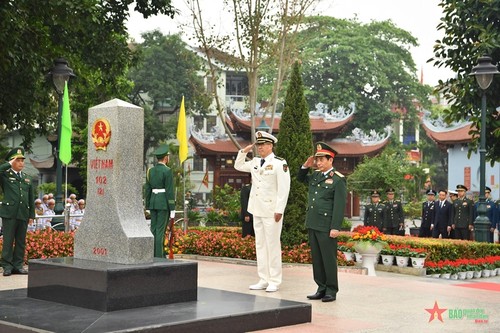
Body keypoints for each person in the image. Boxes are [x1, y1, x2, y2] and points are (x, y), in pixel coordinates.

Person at [234, 131, 290, 292]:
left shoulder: (280, 163)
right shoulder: (255, 161)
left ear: (271, 145)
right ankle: (263, 278)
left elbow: (284, 189)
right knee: (260, 245)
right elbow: (238, 166)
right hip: (256, 209)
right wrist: (243, 152)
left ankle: (274, 280)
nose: (260, 148)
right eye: (258, 145)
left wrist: (280, 209)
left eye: (263, 145)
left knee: (272, 245)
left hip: (272, 211)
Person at [298, 142, 346, 303]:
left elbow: (339, 206)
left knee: (328, 258)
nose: (318, 163)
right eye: (316, 160)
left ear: (330, 160)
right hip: (313, 222)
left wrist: (335, 227)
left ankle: (331, 289)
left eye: (321, 160)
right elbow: (300, 178)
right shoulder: (316, 176)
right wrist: (305, 165)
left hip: (326, 225)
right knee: (317, 258)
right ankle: (321, 287)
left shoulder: (338, 180)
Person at [0, 147, 34, 276]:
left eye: (22, 160)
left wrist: (31, 215)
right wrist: (8, 164)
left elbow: (31, 198)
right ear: (12, 161)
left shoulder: (27, 178)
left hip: (23, 213)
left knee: (21, 241)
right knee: (8, 240)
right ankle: (7, 266)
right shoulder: (5, 175)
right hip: (9, 213)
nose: (21, 163)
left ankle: (18, 265)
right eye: (18, 160)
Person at [144, 144, 176, 258]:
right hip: (163, 203)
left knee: (153, 229)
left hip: (153, 202)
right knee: (160, 231)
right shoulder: (167, 171)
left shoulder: (150, 171)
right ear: (166, 158)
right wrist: (172, 208)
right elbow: (169, 190)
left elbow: (147, 189)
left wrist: (147, 205)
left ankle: (152, 254)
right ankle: (159, 255)